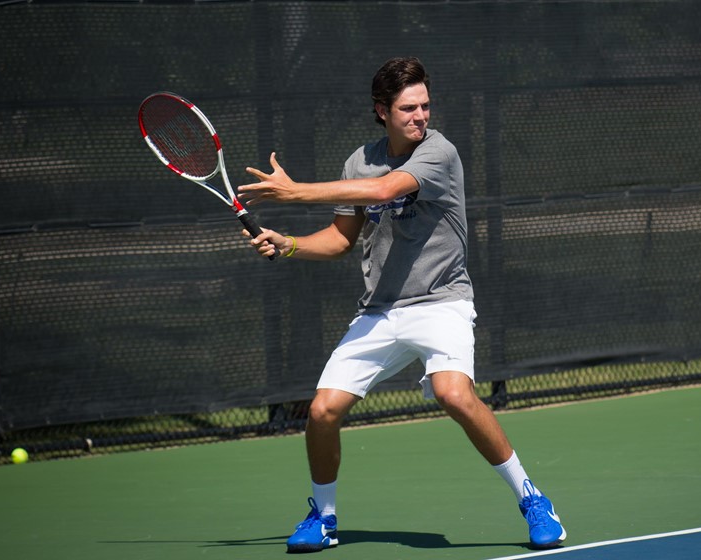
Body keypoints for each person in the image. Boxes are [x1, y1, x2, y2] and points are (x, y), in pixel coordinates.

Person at [238, 57, 566, 554]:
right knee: (323, 411)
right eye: (408, 108)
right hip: (380, 310)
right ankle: (323, 517)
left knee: (453, 394)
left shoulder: (440, 153)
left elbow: (385, 190)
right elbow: (340, 238)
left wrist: (293, 191)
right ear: (382, 111)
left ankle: (533, 499)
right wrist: (289, 245)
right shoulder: (358, 162)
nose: (421, 116)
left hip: (442, 301)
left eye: (425, 106)